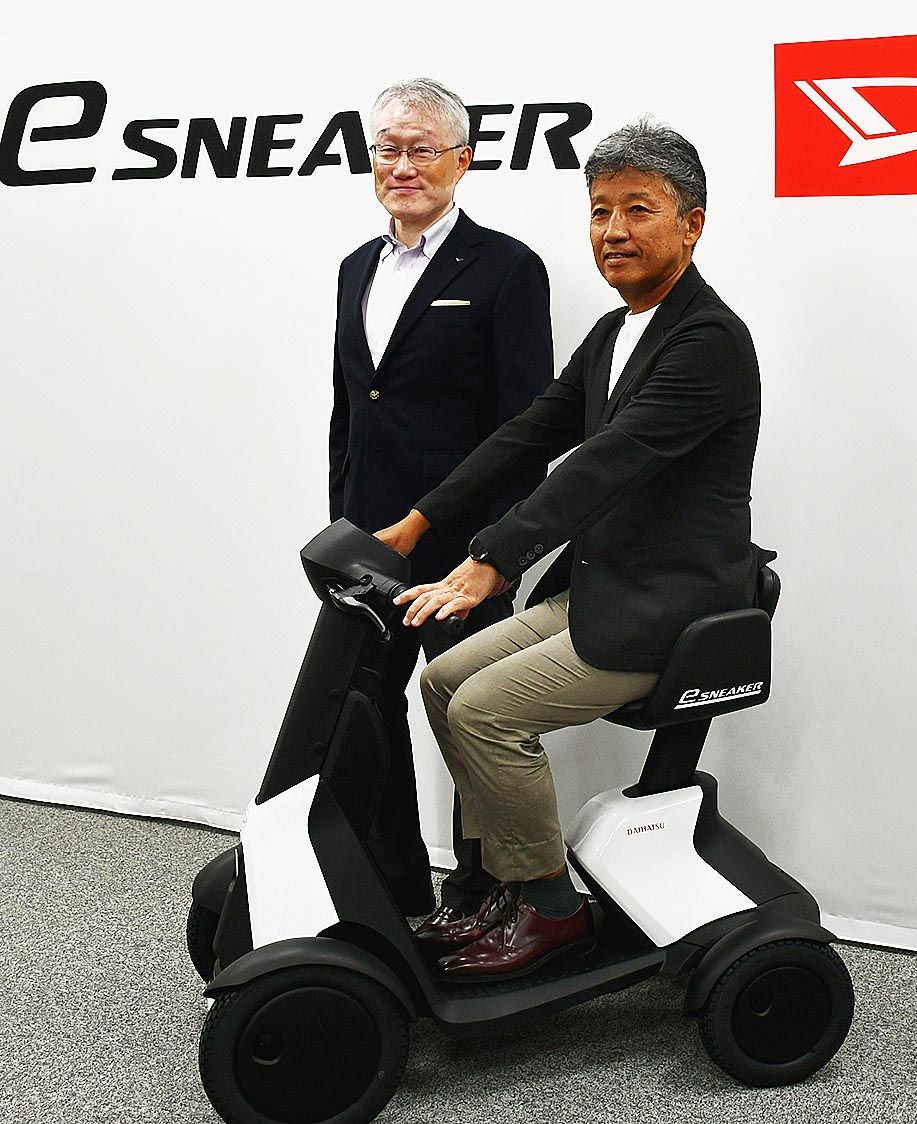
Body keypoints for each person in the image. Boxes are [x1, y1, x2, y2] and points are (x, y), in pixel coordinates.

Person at [376, 118, 761, 977]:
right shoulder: (615, 332)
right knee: (441, 682)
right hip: (599, 587)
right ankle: (497, 883)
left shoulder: (707, 342)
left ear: (691, 225)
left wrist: (492, 560)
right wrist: (417, 520)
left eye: (638, 210)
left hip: (662, 609)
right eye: (599, 211)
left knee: (486, 712)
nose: (613, 230)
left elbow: (602, 466)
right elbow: (529, 434)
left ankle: (549, 908)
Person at [329, 77, 553, 921]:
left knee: (472, 715)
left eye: (422, 149)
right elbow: (351, 408)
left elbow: (528, 426)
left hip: (463, 553)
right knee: (365, 714)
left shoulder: (506, 268)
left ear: (461, 161)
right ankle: (391, 887)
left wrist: (499, 553)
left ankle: (484, 889)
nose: (403, 166)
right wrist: (343, 524)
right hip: (370, 546)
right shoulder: (356, 268)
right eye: (387, 149)